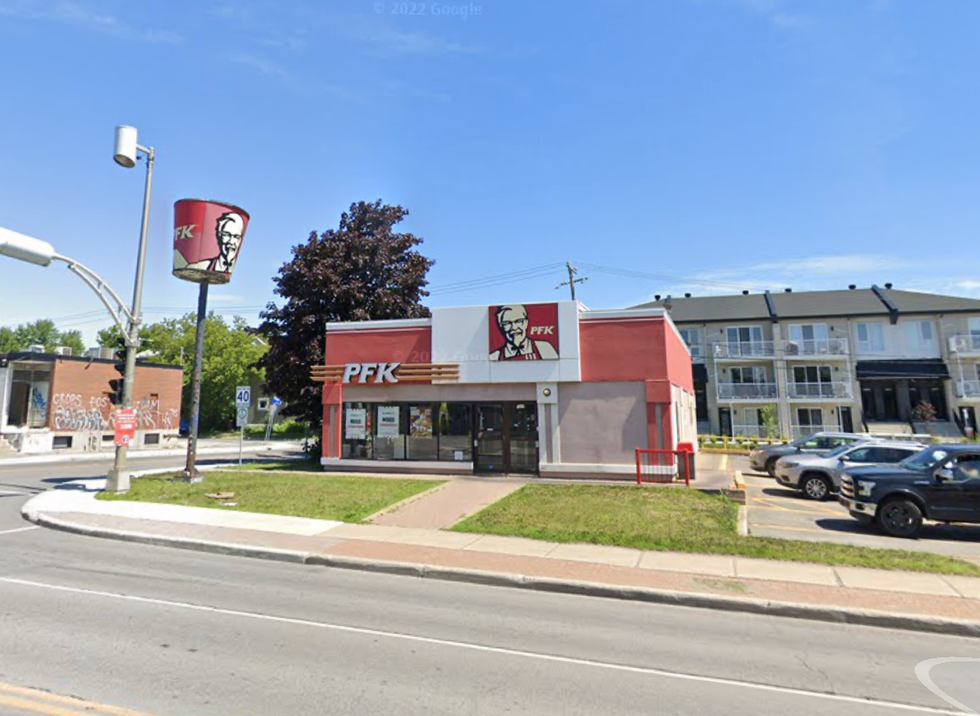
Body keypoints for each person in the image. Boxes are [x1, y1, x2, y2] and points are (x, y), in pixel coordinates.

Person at [173, 212, 245, 275]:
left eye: (236, 237)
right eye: (226, 234)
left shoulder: (240, 270)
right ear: (218, 236)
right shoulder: (199, 267)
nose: (231, 241)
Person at [489, 304, 559, 361]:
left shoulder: (544, 348)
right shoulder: (495, 356)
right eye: (507, 323)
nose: (514, 327)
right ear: (500, 326)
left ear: (526, 323)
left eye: (518, 321)